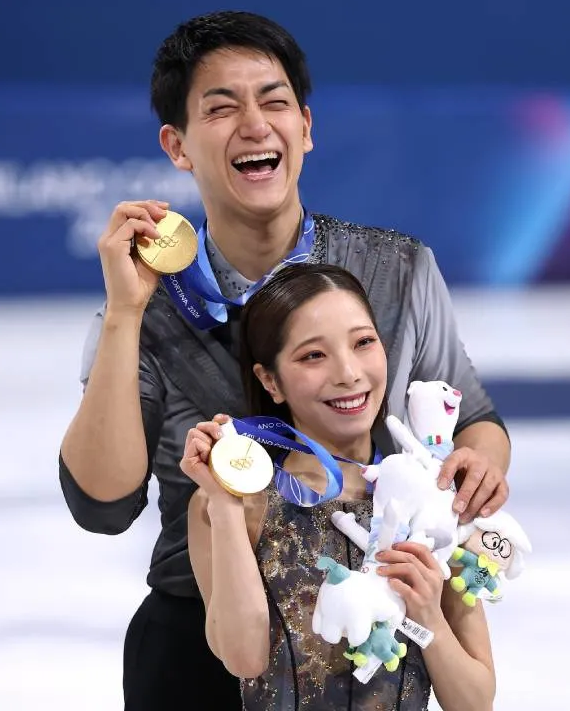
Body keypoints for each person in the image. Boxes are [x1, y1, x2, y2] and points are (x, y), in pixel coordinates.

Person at [57, 11, 511, 710]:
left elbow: (475, 421)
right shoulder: (142, 303)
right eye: (222, 106)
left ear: (305, 126)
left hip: (374, 630)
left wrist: (481, 463)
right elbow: (102, 503)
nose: (254, 123)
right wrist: (124, 316)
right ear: (176, 145)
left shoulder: (398, 270)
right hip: (199, 645)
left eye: (273, 101)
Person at [182, 263, 495, 710]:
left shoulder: (433, 499)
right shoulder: (237, 505)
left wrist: (428, 616)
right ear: (270, 380)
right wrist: (226, 505)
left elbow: (476, 701)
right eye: (313, 355)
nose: (348, 372)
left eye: (363, 343)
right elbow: (244, 657)